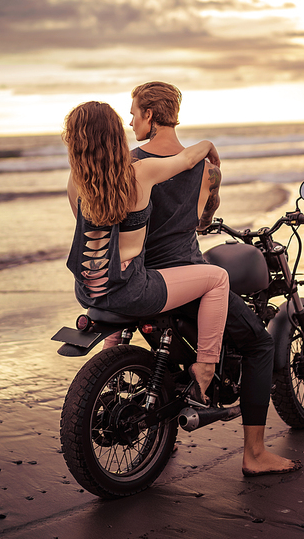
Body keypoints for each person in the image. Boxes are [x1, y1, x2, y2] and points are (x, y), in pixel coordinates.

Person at [128, 81, 301, 477]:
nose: (130, 119)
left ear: (150, 115)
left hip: (142, 279)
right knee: (259, 345)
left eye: (134, 111)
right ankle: (254, 454)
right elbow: (204, 220)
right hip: (187, 277)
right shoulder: (204, 168)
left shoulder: (129, 162)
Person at [63, 100, 229, 403]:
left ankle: (106, 387)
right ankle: (205, 366)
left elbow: (94, 235)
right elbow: (187, 160)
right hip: (132, 290)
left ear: (73, 142)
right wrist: (207, 145)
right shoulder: (141, 172)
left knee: (117, 293)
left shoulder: (75, 184)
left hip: (89, 292)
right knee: (218, 278)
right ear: (115, 137)